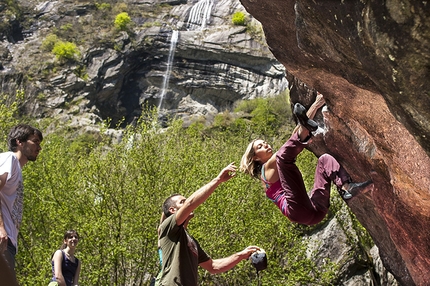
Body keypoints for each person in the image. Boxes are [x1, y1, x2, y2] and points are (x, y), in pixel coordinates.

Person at [240, 94, 373, 226]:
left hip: (316, 211)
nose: (266, 145)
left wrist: (309, 115)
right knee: (283, 158)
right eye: (260, 147)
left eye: (264, 142)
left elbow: (293, 139)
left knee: (324, 160)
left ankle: (347, 188)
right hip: (297, 211)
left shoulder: (274, 166)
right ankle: (305, 131)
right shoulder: (266, 170)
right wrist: (315, 105)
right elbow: (292, 139)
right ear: (255, 157)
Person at [156, 163, 261, 286]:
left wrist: (242, 255)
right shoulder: (168, 228)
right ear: (173, 210)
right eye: (182, 202)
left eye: (185, 201)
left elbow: (213, 266)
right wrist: (217, 180)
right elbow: (190, 203)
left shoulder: (191, 241)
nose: (186, 203)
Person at [0, 124, 43, 281]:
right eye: (35, 141)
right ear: (20, 142)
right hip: (3, 240)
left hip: (9, 243)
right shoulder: (9, 159)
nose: (39, 147)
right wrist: (1, 228)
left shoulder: (16, 169)